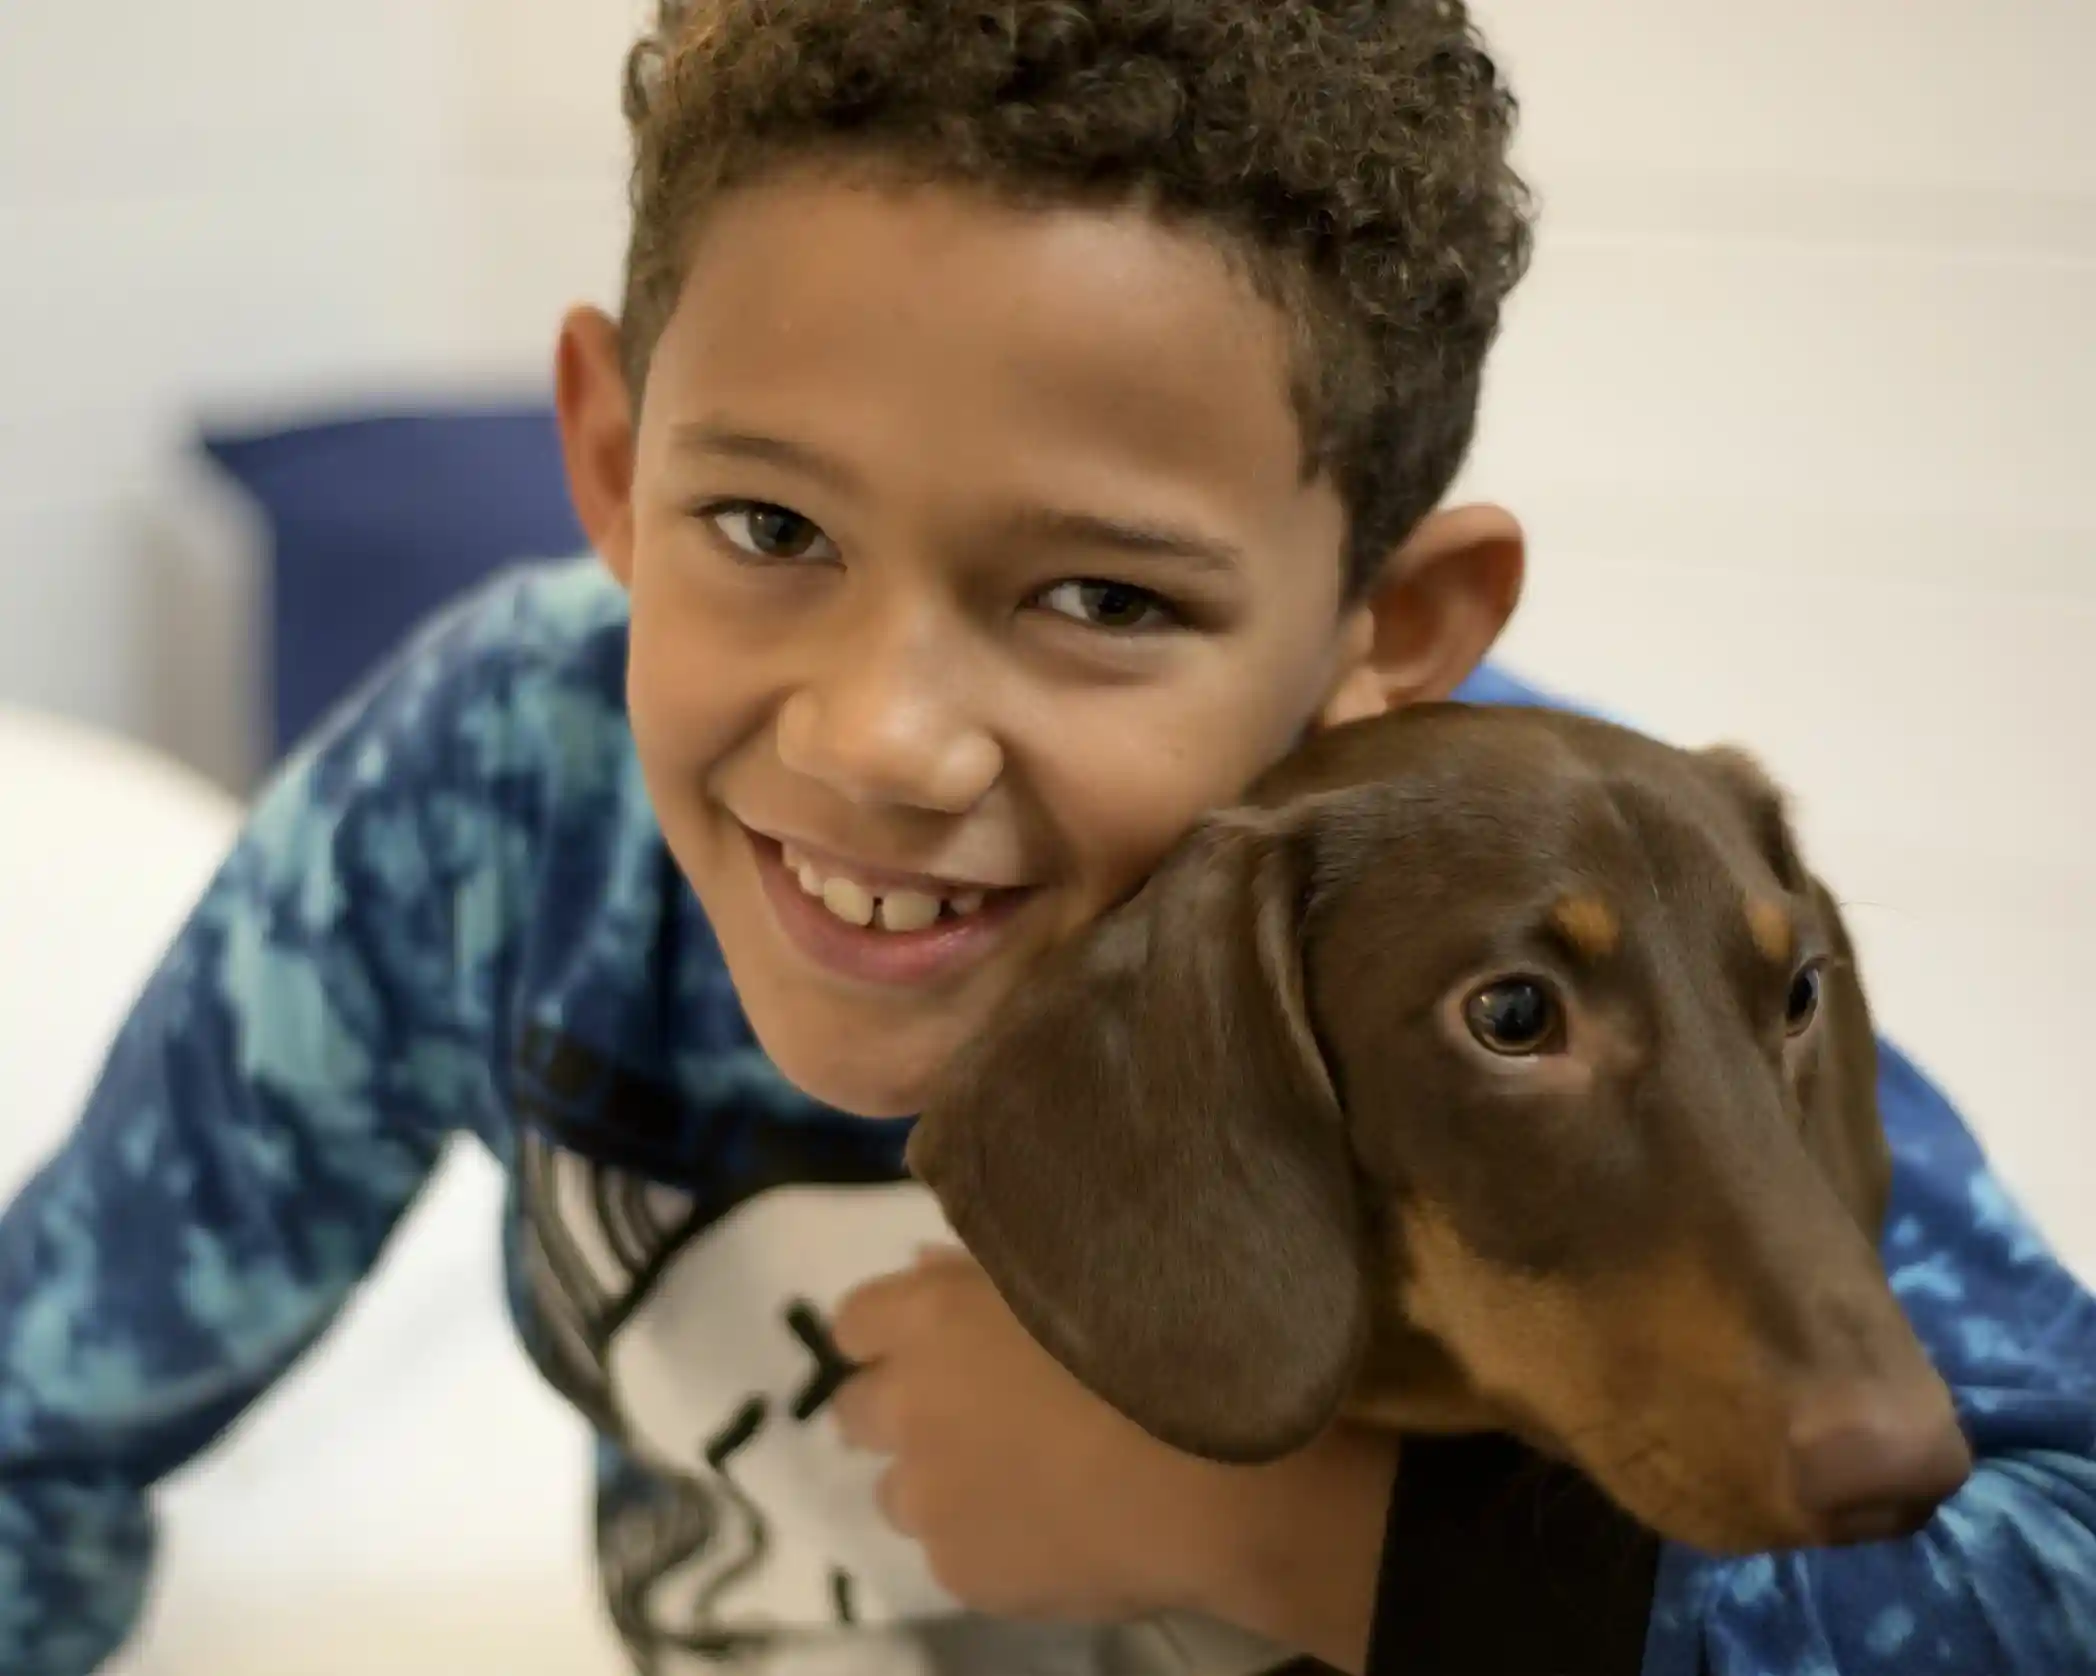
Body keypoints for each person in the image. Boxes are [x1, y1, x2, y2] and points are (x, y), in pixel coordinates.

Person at [3, 3, 2092, 1674]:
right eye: (766, 527)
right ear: (617, 462)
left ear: (1390, 633)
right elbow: (35, 1425)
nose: (887, 743)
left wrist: (1275, 1532)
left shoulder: (1540, 905)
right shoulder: (480, 806)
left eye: (1102, 598)